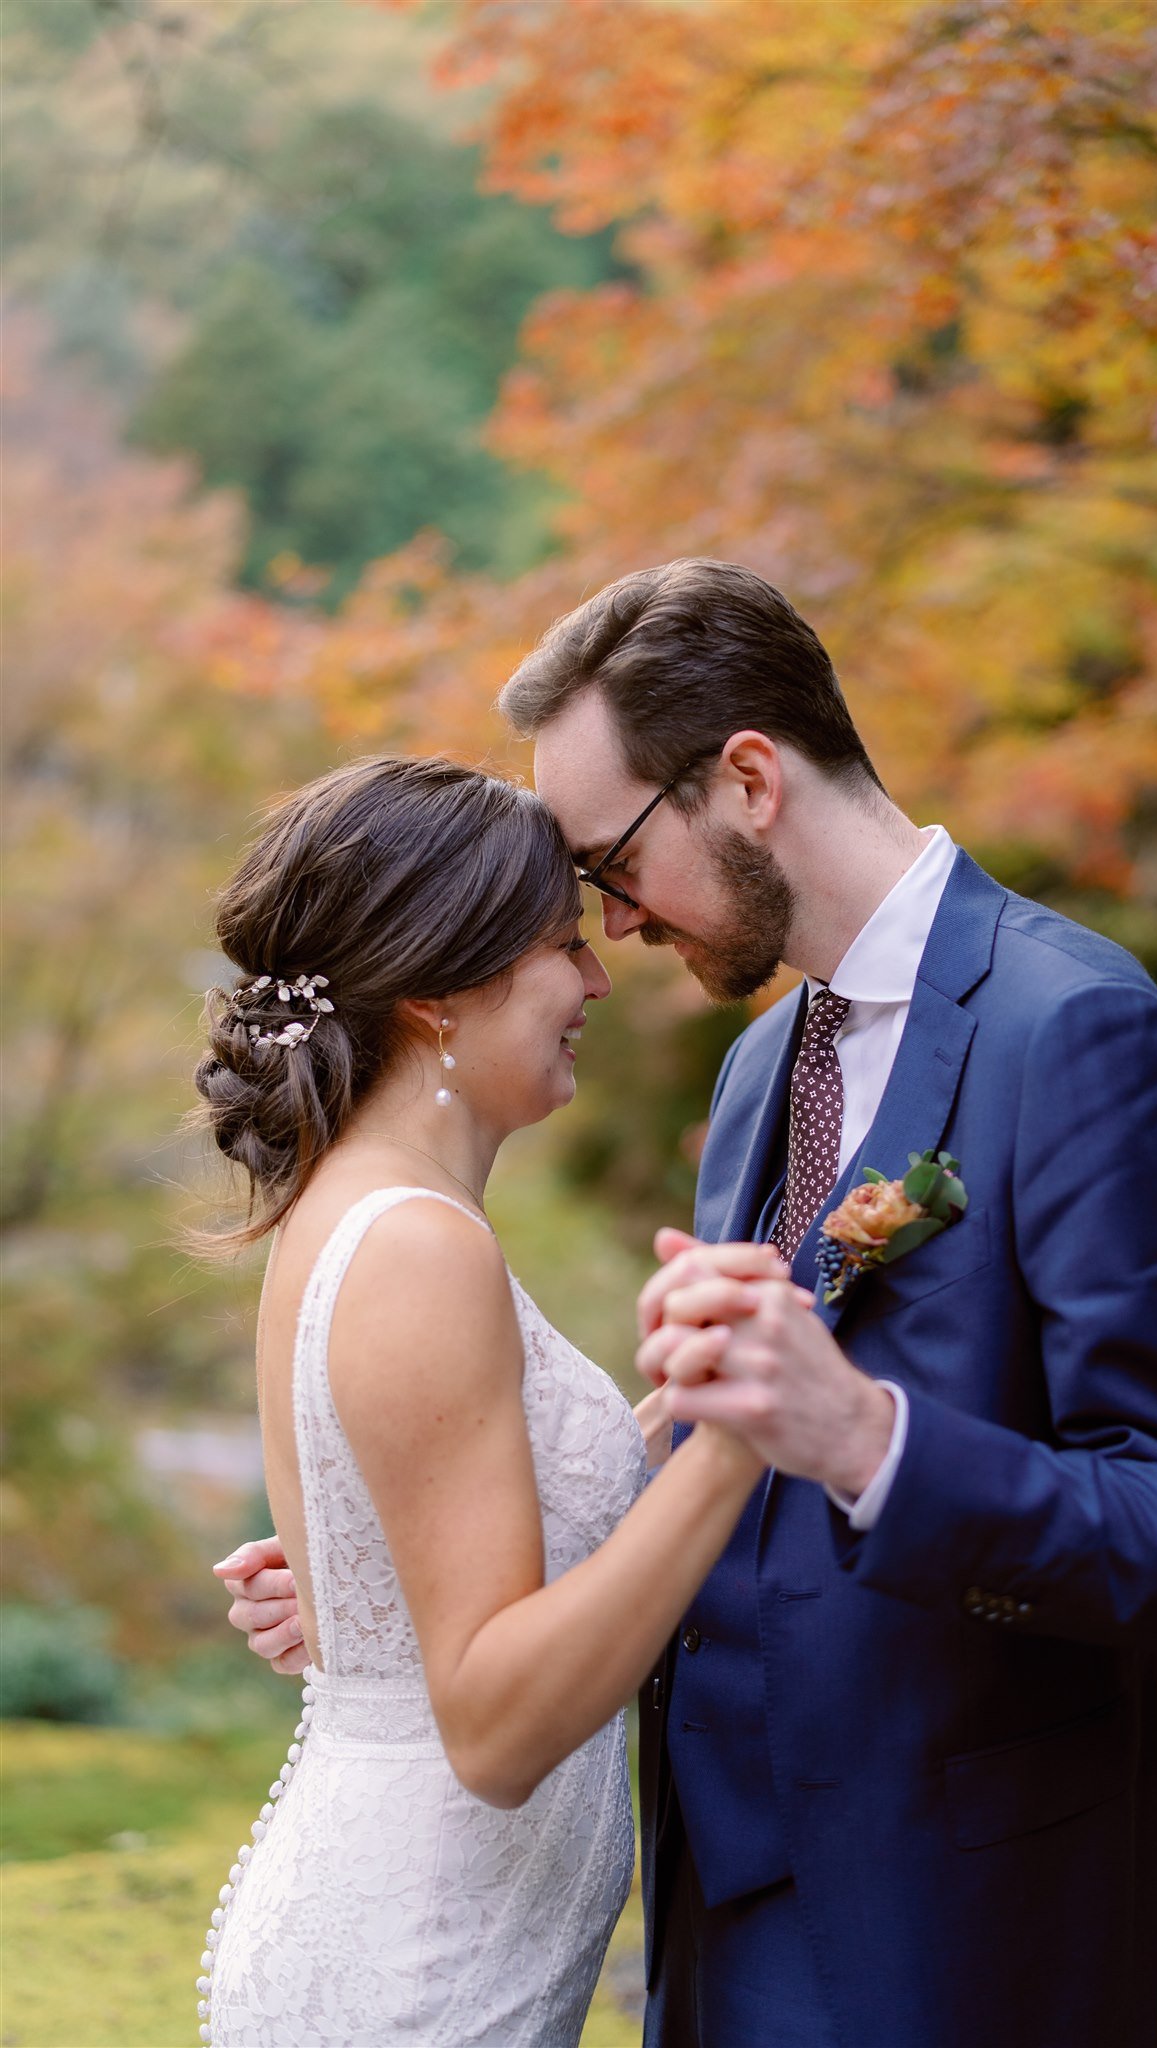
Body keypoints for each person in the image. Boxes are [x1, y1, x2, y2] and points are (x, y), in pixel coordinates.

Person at [222, 561, 1157, 2047]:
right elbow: (719, 1472)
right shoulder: (761, 1069)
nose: (613, 927)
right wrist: (386, 1575)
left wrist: (866, 1441)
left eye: (610, 861)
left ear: (749, 781)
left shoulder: (1076, 1032)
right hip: (714, 1918)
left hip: (959, 1923)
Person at [190, 754, 770, 2048]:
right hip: (420, 1975)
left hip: (419, 1940)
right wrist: (734, 1447)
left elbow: (478, 1528)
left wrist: (678, 1412)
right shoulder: (415, 1245)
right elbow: (497, 1729)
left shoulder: (378, 1215)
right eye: (565, 945)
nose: (599, 979)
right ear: (440, 992)